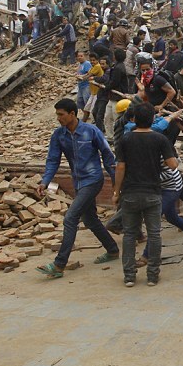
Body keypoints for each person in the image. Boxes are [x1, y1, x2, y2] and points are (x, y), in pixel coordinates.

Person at [34, 98, 121, 278]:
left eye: (61, 115)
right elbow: (53, 160)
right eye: (57, 114)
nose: (58, 118)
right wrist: (45, 181)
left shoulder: (91, 131)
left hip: (93, 180)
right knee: (90, 220)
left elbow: (108, 156)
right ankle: (112, 250)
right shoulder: (59, 135)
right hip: (78, 182)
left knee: (70, 218)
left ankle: (59, 265)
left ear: (72, 114)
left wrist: (116, 185)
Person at [112, 103, 178, 287]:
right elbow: (173, 165)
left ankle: (129, 276)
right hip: (152, 193)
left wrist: (116, 192)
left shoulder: (125, 139)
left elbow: (120, 167)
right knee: (154, 234)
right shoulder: (159, 139)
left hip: (130, 193)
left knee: (129, 235)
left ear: (134, 119)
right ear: (152, 119)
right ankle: (152, 276)